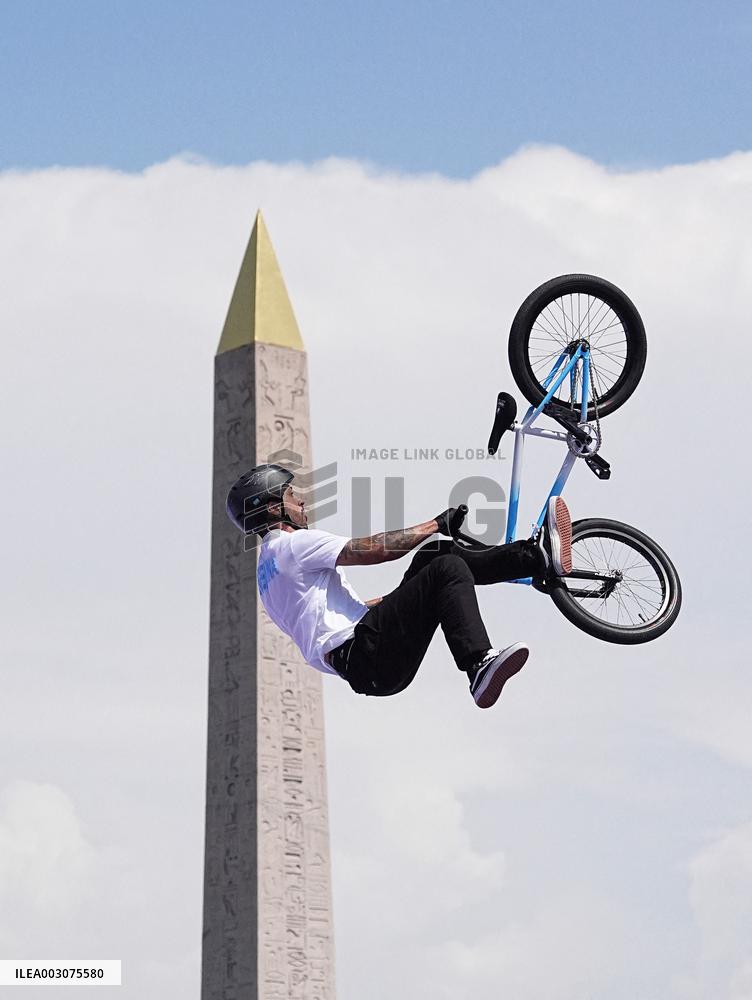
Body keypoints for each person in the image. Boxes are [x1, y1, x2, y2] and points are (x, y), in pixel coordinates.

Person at [226, 464, 572, 709]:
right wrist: (434, 523)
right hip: (366, 652)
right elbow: (373, 550)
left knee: (435, 556)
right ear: (273, 508)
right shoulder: (292, 545)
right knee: (447, 567)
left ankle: (535, 557)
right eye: (291, 494)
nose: (301, 501)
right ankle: (479, 665)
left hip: (366, 664)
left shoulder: (266, 576)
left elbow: (331, 616)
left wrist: (399, 596)